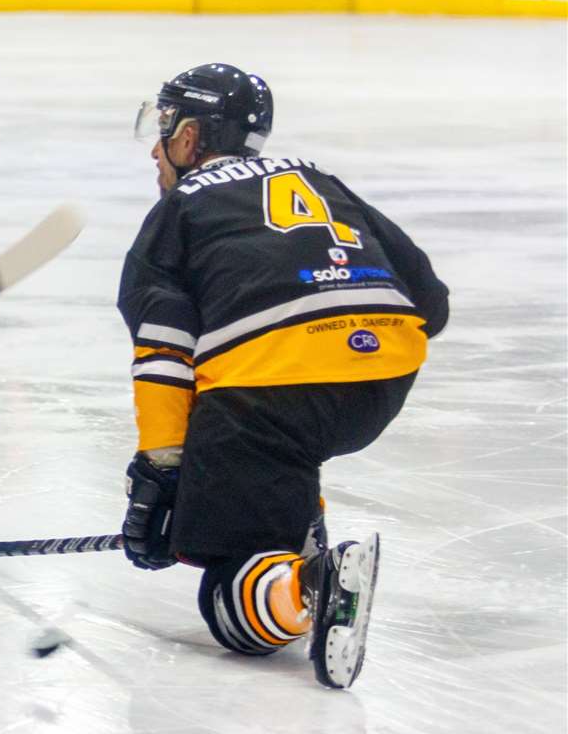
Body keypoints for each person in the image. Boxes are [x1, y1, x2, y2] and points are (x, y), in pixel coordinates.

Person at [119, 63, 448, 689]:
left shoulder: (177, 212)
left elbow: (164, 346)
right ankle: (295, 528)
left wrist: (163, 470)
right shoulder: (319, 179)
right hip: (385, 374)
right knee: (277, 449)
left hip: (270, 392)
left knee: (227, 596)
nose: (156, 150)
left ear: (189, 138)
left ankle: (310, 580)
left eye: (162, 128)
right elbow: (430, 300)